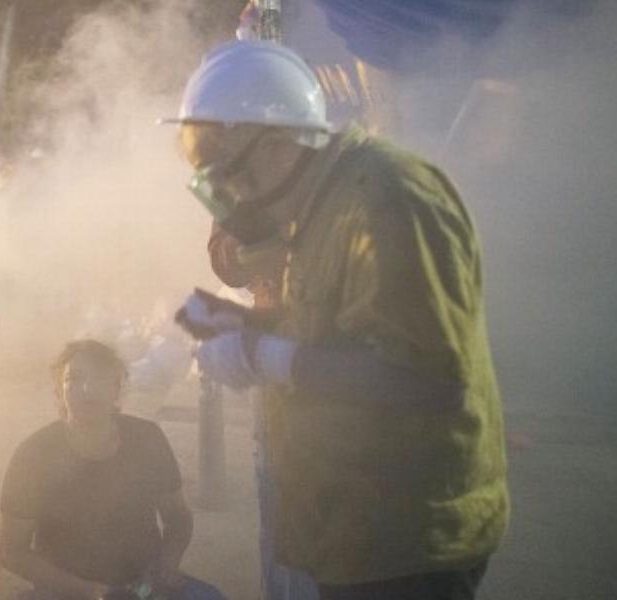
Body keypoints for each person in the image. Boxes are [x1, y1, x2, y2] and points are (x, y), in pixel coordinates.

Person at [164, 41, 509, 600]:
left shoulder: (387, 199)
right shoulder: (320, 206)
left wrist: (264, 357)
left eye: (232, 172)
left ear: (278, 147)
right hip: (351, 527)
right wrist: (242, 327)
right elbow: (338, 334)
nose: (227, 194)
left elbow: (429, 380)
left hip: (403, 541)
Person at [0, 339, 226, 600]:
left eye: (99, 378)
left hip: (143, 585)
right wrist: (91, 592)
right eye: (74, 379)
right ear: (60, 391)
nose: (87, 389)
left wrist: (164, 569)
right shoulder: (34, 454)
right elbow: (11, 551)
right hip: (64, 589)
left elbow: (179, 519)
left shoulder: (147, 439)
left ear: (117, 388)